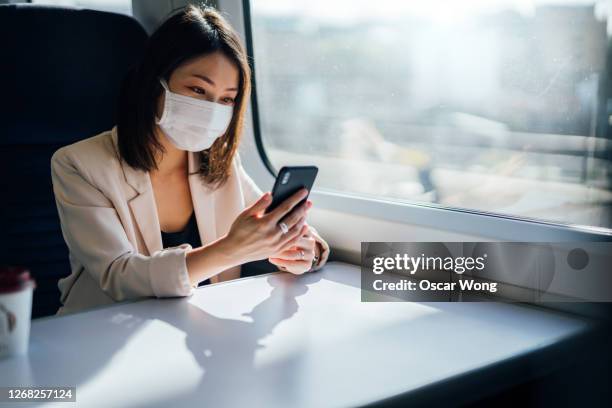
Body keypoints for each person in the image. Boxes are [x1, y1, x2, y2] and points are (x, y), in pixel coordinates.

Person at [50, 5, 330, 315]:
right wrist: (230, 250)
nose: (212, 109)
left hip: (194, 327)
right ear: (154, 84)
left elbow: (282, 228)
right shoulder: (78, 164)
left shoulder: (222, 164)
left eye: (226, 99)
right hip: (100, 330)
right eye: (198, 89)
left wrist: (307, 251)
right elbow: (119, 276)